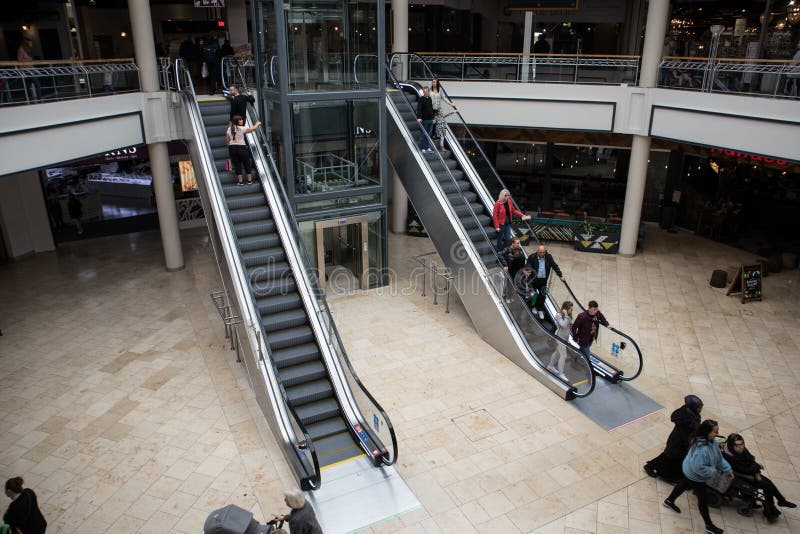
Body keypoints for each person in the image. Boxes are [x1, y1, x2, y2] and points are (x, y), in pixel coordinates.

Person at [663, 419, 731, 534]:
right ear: (707, 432)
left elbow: (718, 456)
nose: (717, 433)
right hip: (695, 475)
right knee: (703, 500)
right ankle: (709, 525)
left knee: (684, 484)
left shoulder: (712, 441)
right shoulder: (701, 449)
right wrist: (713, 471)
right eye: (715, 431)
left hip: (689, 470)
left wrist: (727, 469)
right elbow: (698, 467)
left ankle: (669, 501)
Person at [723, 433, 796, 523]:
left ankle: (781, 501)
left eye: (742, 444)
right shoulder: (730, 456)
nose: (741, 447)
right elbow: (742, 469)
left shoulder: (740, 451)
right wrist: (756, 469)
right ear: (731, 445)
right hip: (744, 477)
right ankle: (772, 508)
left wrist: (756, 470)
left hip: (752, 473)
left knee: (769, 483)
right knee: (767, 487)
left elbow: (751, 459)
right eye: (737, 445)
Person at [644, 395, 703, 482]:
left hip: (681, 442)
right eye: (699, 407)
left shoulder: (693, 414)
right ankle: (650, 466)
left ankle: (667, 473)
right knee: (669, 456)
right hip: (677, 442)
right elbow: (685, 433)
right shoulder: (686, 419)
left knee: (672, 457)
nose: (700, 409)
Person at [524, 245, 564, 320]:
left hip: (543, 281)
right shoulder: (532, 257)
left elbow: (554, 266)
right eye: (540, 252)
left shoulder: (548, 257)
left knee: (543, 295)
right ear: (537, 252)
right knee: (534, 295)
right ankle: (533, 307)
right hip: (533, 281)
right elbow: (528, 266)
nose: (542, 254)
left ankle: (539, 309)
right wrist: (527, 271)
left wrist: (560, 275)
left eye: (543, 252)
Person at [227, 115, 261, 186]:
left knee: (237, 164)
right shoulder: (241, 128)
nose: (242, 121)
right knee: (247, 163)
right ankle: (249, 180)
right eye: (241, 120)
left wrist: (231, 145)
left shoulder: (229, 129)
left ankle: (240, 182)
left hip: (232, 148)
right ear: (238, 122)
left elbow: (227, 139)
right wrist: (257, 124)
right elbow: (252, 129)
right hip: (241, 147)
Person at [548, 301, 573, 379]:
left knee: (557, 353)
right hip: (559, 337)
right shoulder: (559, 315)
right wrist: (566, 315)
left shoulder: (568, 316)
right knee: (563, 355)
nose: (572, 311)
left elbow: (569, 326)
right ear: (565, 309)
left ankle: (550, 366)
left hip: (565, 337)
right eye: (571, 309)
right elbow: (564, 325)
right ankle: (561, 374)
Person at [416, 85, 435, 153]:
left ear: (428, 92)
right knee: (423, 134)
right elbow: (419, 109)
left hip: (430, 119)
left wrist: (433, 118)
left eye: (426, 92)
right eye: (424, 92)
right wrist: (419, 117)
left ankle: (427, 147)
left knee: (429, 135)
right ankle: (422, 148)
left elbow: (432, 109)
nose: (425, 93)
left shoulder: (430, 99)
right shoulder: (421, 99)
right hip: (424, 119)